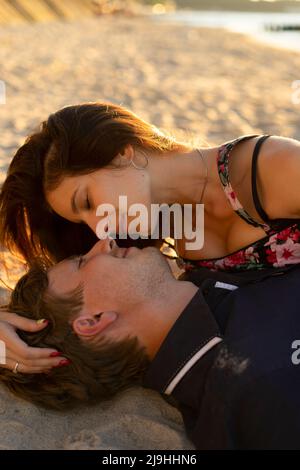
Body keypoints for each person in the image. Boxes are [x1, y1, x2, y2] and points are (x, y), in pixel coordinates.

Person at [0, 101, 300, 372]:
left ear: (121, 153)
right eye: (83, 220)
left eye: (88, 203)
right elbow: (71, 303)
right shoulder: (161, 232)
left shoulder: (272, 169)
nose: (97, 229)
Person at [1, 238, 300, 449]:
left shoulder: (209, 266)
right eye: (82, 261)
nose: (105, 242)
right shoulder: (258, 392)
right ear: (93, 321)